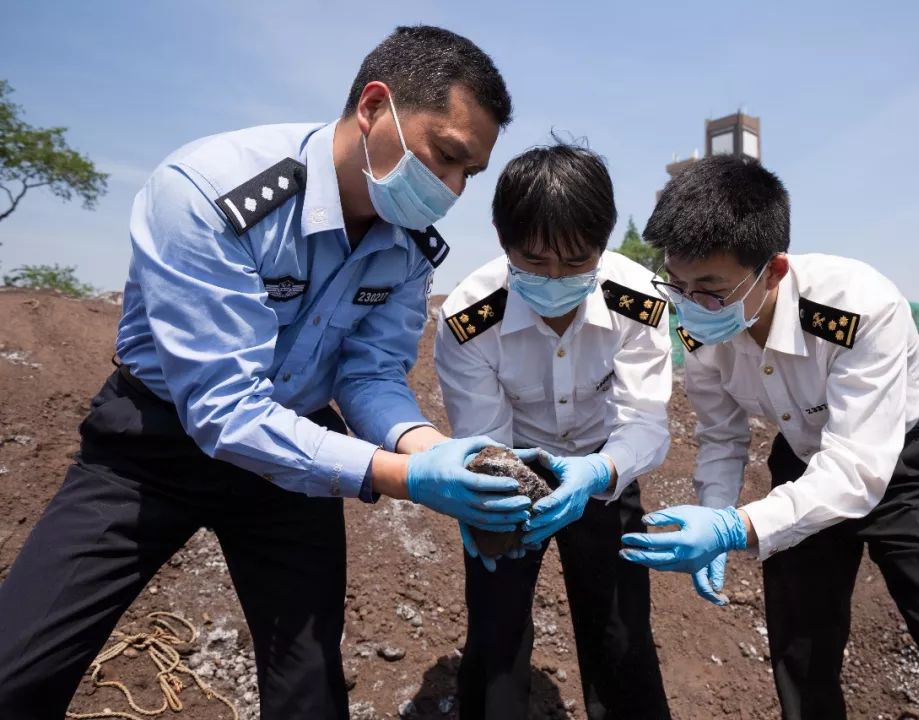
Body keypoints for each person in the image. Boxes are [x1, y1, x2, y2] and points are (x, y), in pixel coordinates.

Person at [0, 25, 530, 720]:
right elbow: (225, 411)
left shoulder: (411, 245)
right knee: (18, 674)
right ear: (374, 107)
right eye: (447, 156)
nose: (455, 189)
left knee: (308, 691)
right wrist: (403, 478)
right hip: (151, 448)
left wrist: (432, 452)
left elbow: (369, 373)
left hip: (295, 459)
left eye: (471, 174)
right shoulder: (210, 192)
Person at [620, 155, 919, 720]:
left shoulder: (859, 306)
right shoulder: (700, 329)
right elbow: (721, 435)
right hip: (801, 458)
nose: (692, 307)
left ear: (774, 270)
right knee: (801, 653)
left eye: (712, 289)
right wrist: (715, 511)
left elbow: (860, 466)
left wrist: (735, 527)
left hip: (900, 470)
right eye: (680, 286)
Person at [434, 143, 673, 719]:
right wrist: (503, 498)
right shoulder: (470, 318)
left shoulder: (638, 300)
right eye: (536, 262)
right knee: (497, 625)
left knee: (620, 631)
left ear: (605, 241)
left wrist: (597, 472)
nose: (556, 278)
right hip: (512, 470)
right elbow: (487, 441)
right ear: (501, 239)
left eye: (576, 262)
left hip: (603, 466)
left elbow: (645, 421)